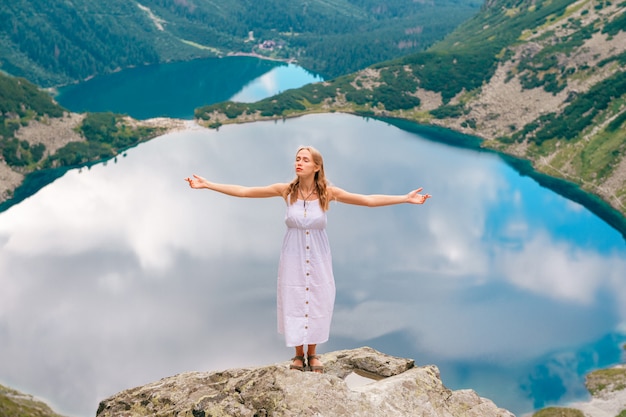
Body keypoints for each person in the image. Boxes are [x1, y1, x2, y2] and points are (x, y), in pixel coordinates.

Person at [185, 145, 431, 373]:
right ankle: (297, 354)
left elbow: (367, 200)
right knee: (294, 298)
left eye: (305, 159)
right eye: (297, 159)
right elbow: (245, 192)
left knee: (317, 299)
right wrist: (208, 184)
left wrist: (404, 198)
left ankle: (313, 354)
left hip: (318, 256)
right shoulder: (286, 190)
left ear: (317, 166)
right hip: (292, 255)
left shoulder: (327, 193)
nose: (298, 163)